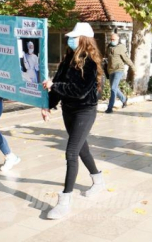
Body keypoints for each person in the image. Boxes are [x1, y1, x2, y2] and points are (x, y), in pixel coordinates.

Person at [42, 22, 105, 219]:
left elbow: (79, 91)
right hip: (68, 110)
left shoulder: (90, 63)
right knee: (82, 149)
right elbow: (58, 85)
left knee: (71, 152)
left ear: (83, 39)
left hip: (85, 111)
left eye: (74, 37)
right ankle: (98, 180)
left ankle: (64, 201)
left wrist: (54, 86)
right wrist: (48, 105)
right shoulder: (67, 59)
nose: (70, 40)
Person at [105, 33, 135, 113]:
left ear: (118, 39)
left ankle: (110, 107)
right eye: (111, 39)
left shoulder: (121, 47)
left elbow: (126, 59)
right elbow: (107, 57)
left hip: (119, 70)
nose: (112, 41)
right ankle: (124, 99)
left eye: (113, 39)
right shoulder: (109, 46)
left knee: (113, 88)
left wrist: (133, 67)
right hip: (110, 70)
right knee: (114, 88)